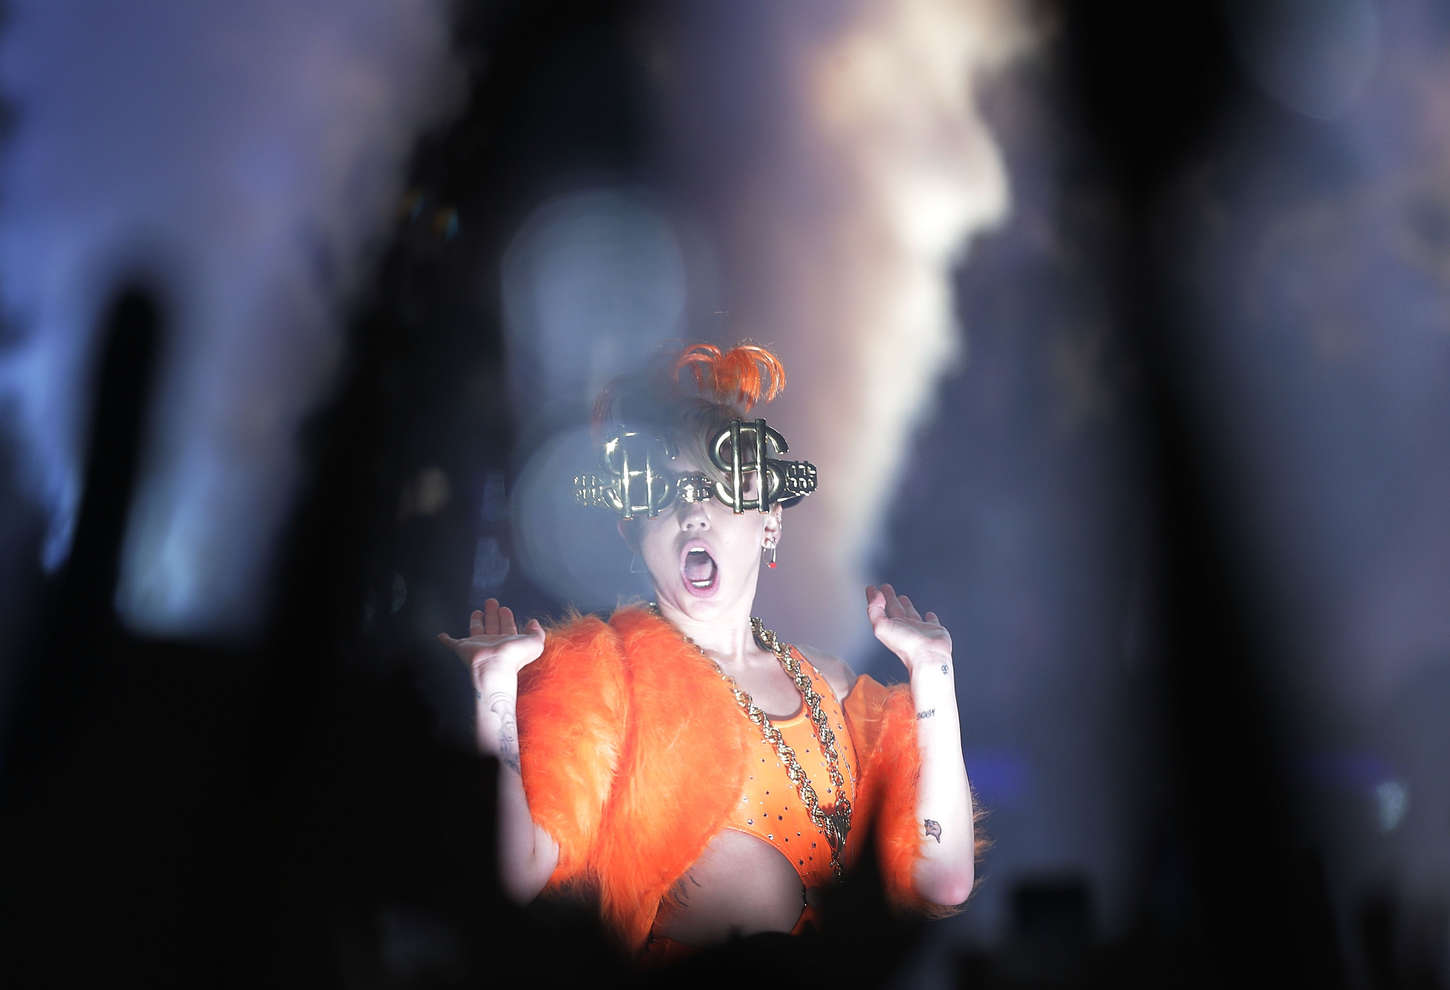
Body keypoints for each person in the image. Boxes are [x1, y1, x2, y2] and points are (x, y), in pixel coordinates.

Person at [438, 342, 982, 960]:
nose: (694, 512)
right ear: (634, 531)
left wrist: (934, 678)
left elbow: (943, 877)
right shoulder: (608, 682)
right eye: (667, 494)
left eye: (720, 489)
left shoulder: (830, 687)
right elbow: (519, 873)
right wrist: (495, 694)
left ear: (770, 520)